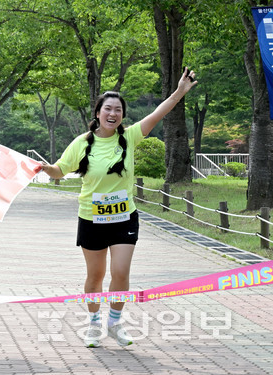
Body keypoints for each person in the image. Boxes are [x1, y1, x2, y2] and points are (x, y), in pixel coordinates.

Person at [41, 68, 197, 348]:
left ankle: (114, 322)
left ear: (123, 115)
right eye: (107, 109)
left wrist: (179, 92)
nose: (113, 114)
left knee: (121, 272)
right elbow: (59, 171)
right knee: (95, 276)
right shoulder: (83, 143)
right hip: (91, 218)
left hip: (124, 218)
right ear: (98, 112)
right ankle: (93, 324)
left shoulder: (130, 137)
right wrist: (43, 167)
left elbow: (159, 113)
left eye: (118, 110)